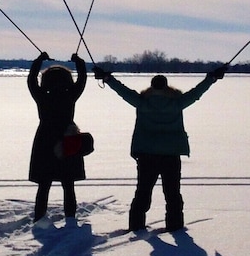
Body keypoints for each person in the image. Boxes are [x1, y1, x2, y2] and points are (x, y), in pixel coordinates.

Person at [93, 64, 227, 232]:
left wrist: (108, 79)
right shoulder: (177, 103)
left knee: (142, 191)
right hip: (170, 155)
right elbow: (197, 93)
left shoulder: (142, 102)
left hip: (146, 155)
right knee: (172, 194)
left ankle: (136, 225)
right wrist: (212, 78)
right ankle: (175, 226)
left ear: (151, 86)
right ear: (166, 86)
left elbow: (123, 91)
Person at [28, 52, 88, 224]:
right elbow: (83, 79)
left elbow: (31, 79)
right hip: (67, 138)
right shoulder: (70, 95)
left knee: (44, 184)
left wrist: (39, 60)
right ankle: (70, 219)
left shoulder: (42, 96)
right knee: (68, 184)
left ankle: (39, 218)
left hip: (44, 139)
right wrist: (79, 62)